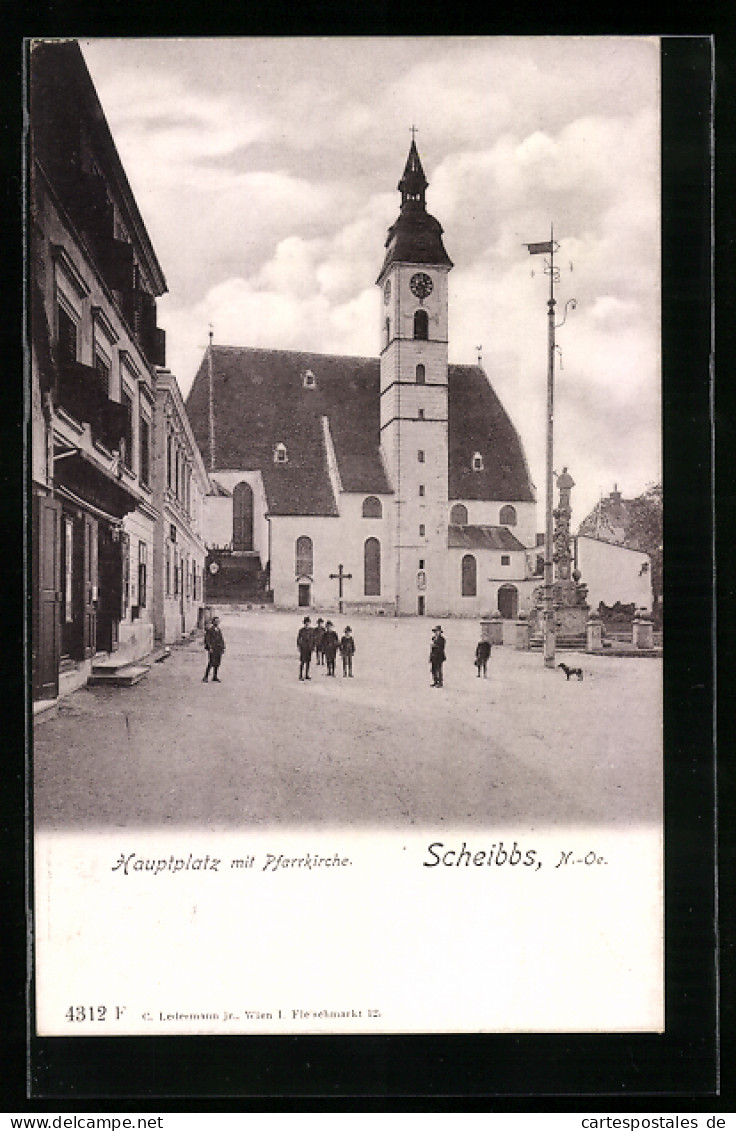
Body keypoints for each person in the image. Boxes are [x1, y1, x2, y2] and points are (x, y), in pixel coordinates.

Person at [203, 616, 225, 682]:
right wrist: (209, 647)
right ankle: (205, 677)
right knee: (211, 662)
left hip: (219, 648)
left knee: (217, 663)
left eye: (218, 621)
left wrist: (223, 647)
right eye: (216, 621)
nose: (217, 622)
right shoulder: (210, 630)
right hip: (213, 648)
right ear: (213, 622)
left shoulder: (219, 630)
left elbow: (221, 639)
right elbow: (207, 639)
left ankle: (215, 676)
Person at [297, 616, 314, 681]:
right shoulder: (301, 630)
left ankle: (307, 674)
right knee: (302, 662)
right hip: (303, 648)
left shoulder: (312, 630)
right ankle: (300, 675)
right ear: (304, 623)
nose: (307, 624)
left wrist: (313, 646)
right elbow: (298, 639)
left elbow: (313, 639)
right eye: (306, 623)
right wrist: (299, 646)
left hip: (309, 648)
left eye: (308, 622)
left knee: (308, 662)